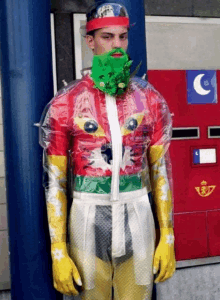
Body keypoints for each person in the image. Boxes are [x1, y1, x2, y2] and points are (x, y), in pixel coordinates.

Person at [40, 2, 176, 299]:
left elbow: (160, 171)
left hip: (137, 212)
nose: (117, 45)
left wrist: (167, 236)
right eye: (107, 37)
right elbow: (55, 182)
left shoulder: (148, 99)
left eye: (122, 37)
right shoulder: (66, 103)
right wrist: (58, 250)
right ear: (90, 41)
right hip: (87, 215)